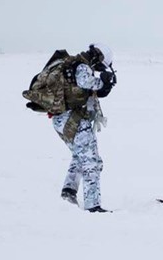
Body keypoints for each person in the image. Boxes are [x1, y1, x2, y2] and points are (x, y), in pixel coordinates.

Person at [52, 43, 117, 213]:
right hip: (74, 121)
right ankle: (92, 205)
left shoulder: (75, 65)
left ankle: (68, 192)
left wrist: (104, 87)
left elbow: (84, 91)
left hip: (63, 120)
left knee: (80, 157)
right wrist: (102, 82)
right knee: (92, 162)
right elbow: (85, 81)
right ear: (98, 57)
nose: (99, 69)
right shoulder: (82, 66)